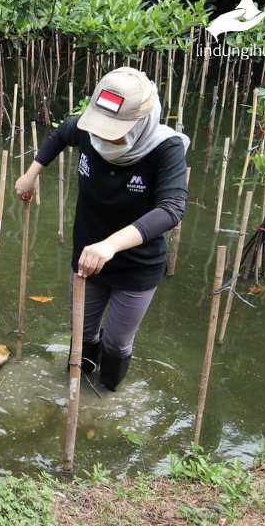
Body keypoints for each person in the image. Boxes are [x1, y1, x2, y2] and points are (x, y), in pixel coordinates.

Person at [15, 67, 189, 391]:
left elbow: (171, 209)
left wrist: (110, 245)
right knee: (82, 333)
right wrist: (32, 173)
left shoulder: (165, 148)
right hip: (87, 257)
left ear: (140, 121)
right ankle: (76, 389)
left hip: (137, 265)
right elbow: (60, 135)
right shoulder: (87, 129)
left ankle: (107, 394)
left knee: (118, 344)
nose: (106, 136)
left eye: (116, 129)